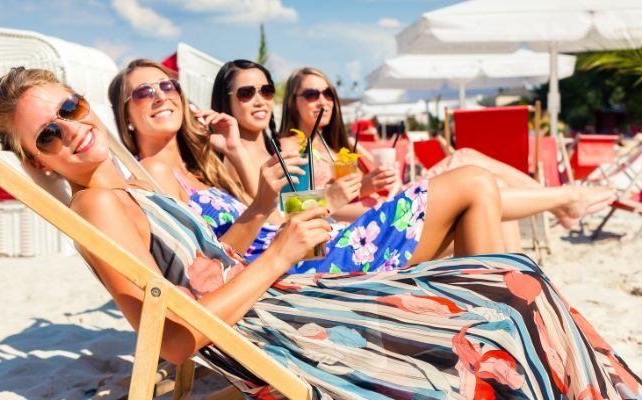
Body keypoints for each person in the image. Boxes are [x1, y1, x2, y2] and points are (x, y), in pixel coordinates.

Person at [0, 66, 640, 399]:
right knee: (507, 285)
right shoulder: (100, 205)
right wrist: (276, 255)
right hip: (271, 328)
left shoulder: (120, 186)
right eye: (47, 133)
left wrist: (271, 224)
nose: (71, 130)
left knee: (502, 284)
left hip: (274, 303)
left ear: (85, 102)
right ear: (36, 160)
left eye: (70, 109)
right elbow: (177, 339)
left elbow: (208, 264)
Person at [110, 58, 508, 274]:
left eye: (168, 86)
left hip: (322, 238)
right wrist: (329, 197)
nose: (161, 95)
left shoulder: (200, 168)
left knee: (472, 180)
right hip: (311, 257)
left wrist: (234, 150)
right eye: (144, 92)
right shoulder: (150, 180)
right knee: (471, 176)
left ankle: (504, 316)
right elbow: (222, 254)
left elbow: (262, 210)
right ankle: (503, 326)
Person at [276, 66, 616, 248]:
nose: (322, 99)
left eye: (328, 93)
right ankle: (563, 201)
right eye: (311, 94)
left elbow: (375, 176)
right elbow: (298, 210)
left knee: (476, 168)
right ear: (293, 101)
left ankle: (550, 218)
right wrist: (362, 192)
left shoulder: (336, 145)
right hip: (370, 223)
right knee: (474, 175)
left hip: (384, 204)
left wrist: (376, 176)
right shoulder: (293, 147)